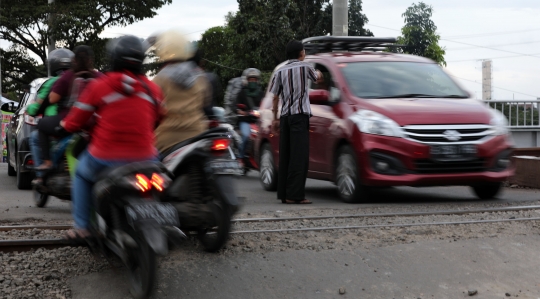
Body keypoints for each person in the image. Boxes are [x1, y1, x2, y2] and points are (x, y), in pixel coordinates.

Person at [59, 35, 164, 239]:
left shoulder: (100, 85)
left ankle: (82, 227)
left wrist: (64, 125)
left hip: (104, 156)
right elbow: (160, 118)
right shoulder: (153, 89)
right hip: (147, 157)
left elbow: (75, 121)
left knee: (80, 173)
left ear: (113, 58)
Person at [269, 40, 323, 204]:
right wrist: (320, 72)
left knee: (286, 155)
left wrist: (275, 119)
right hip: (300, 117)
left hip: (285, 117)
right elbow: (317, 79)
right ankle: (295, 195)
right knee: (299, 157)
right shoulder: (305, 67)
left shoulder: (279, 71)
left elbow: (275, 96)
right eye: (304, 51)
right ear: (301, 53)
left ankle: (284, 194)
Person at [36, 45, 101, 171]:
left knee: (42, 125)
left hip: (70, 120)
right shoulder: (99, 76)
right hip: (93, 123)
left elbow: (53, 99)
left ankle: (47, 162)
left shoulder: (68, 76)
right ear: (90, 60)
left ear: (74, 60)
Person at [151, 29, 209, 152]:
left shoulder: (159, 79)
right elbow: (206, 103)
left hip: (167, 139)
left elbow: (151, 109)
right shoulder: (200, 76)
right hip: (197, 135)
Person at [27, 48, 74, 183]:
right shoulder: (79, 79)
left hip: (59, 124)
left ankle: (41, 174)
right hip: (80, 121)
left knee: (35, 138)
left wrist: (29, 110)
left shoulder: (52, 82)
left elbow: (37, 106)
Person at [234, 68, 264, 163]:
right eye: (250, 79)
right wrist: (241, 112)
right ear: (247, 81)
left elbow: (265, 105)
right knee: (246, 136)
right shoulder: (242, 93)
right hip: (245, 121)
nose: (252, 81)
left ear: (257, 80)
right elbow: (236, 107)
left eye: (254, 79)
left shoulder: (261, 93)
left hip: (258, 121)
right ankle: (241, 157)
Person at [188, 48, 222, 119]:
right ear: (200, 62)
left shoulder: (180, 79)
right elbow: (217, 97)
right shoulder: (211, 77)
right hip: (210, 117)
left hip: (191, 120)